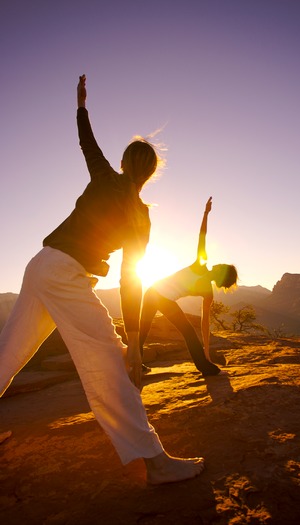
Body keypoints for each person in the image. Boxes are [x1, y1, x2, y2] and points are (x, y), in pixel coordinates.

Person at [0, 74, 204, 484]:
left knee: (10, 351)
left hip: (41, 263)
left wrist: (81, 105)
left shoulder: (106, 178)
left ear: (126, 164)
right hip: (63, 272)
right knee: (109, 360)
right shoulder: (141, 216)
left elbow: (86, 142)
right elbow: (132, 280)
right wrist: (132, 345)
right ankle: (155, 461)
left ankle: (152, 457)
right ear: (150, 174)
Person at [140, 197, 238, 376]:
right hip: (155, 293)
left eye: (222, 267)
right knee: (145, 330)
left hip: (156, 294)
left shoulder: (202, 268)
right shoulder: (202, 267)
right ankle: (203, 366)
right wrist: (206, 213)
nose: (219, 264)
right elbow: (202, 235)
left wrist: (208, 355)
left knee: (153, 330)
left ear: (221, 275)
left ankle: (204, 365)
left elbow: (204, 325)